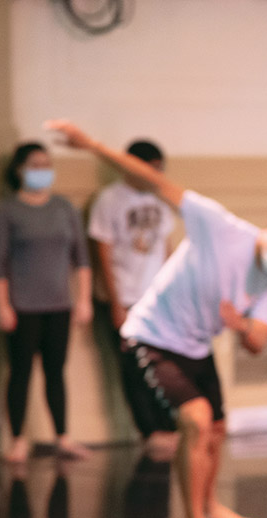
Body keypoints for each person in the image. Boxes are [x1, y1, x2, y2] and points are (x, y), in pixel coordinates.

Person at [46, 120, 267, 518]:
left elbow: (257, 342)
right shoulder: (219, 226)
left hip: (197, 344)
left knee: (216, 429)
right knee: (195, 420)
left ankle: (213, 507)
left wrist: (238, 325)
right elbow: (156, 181)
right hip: (154, 335)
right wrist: (91, 145)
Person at [0, 141, 93, 463]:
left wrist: (83, 299)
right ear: (19, 170)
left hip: (58, 304)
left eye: (46, 164)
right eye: (35, 165)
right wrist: (2, 305)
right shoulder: (6, 211)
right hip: (23, 306)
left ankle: (62, 436)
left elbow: (82, 259)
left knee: (55, 371)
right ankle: (18, 439)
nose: (42, 171)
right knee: (19, 372)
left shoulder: (64, 208)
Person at [88, 139, 178, 449]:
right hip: (125, 297)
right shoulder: (109, 200)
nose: (155, 175)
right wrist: (115, 303)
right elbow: (103, 254)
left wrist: (172, 293)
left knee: (162, 366)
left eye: (159, 169)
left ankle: (169, 424)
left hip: (155, 298)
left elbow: (167, 249)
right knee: (133, 366)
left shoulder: (159, 199)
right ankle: (149, 430)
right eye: (150, 169)